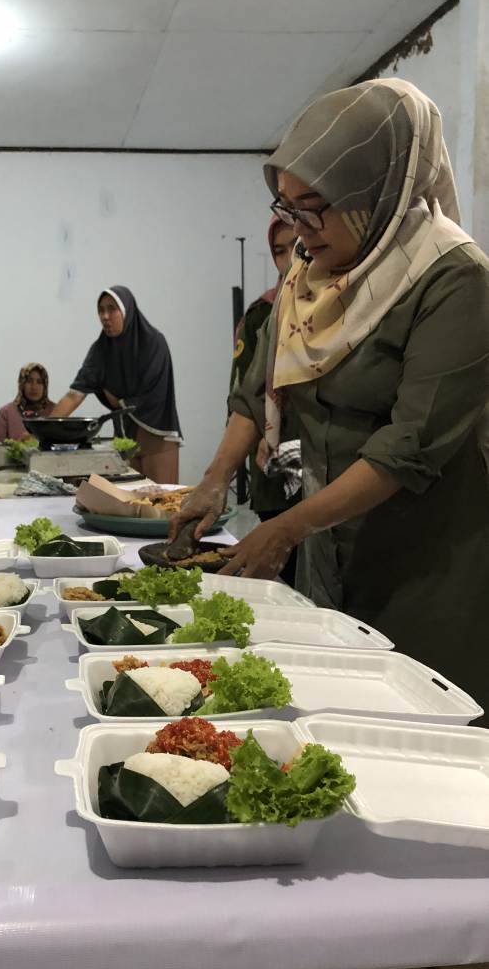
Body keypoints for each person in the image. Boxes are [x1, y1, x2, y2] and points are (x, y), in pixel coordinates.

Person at [171, 78, 489, 711]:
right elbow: (259, 388)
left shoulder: (454, 281)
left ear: (377, 196)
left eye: (315, 208)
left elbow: (408, 446)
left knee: (420, 719)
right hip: (329, 543)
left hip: (423, 557)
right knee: (336, 708)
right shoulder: (309, 275)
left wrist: (286, 528)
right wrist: (212, 481)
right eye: (288, 209)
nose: (300, 230)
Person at [229, 217, 300, 585]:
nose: (289, 259)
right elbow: (245, 395)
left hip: (326, 476)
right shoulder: (263, 314)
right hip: (273, 469)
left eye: (297, 246)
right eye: (279, 251)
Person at [52, 286, 182, 483]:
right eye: (101, 310)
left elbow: (154, 394)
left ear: (127, 310)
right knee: (127, 498)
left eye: (112, 309)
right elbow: (74, 395)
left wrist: (118, 401)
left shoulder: (152, 343)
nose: (105, 316)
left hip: (157, 435)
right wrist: (45, 431)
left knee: (160, 500)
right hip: (125, 437)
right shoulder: (100, 350)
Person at [0, 363, 54, 442]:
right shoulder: (6, 412)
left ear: (45, 385)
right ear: (22, 384)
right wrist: (19, 444)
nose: (34, 387)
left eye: (39, 382)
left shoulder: (56, 411)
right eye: (29, 381)